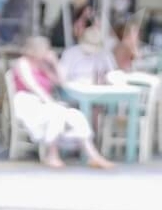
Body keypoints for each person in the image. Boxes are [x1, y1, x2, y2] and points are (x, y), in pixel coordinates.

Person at [8, 37, 113, 170]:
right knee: (56, 112)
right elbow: (33, 86)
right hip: (28, 102)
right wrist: (49, 102)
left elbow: (62, 82)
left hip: (45, 103)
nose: (48, 51)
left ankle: (93, 155)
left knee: (76, 115)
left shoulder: (43, 65)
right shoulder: (23, 63)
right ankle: (52, 153)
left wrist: (55, 63)